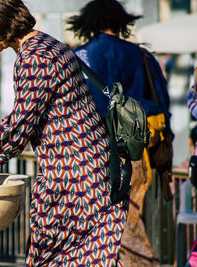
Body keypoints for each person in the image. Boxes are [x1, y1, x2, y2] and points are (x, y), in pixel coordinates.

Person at [0, 0, 128, 266]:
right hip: (96, 176)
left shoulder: (33, 58)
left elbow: (19, 129)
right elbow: (26, 119)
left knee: (54, 260)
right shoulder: (49, 45)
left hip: (73, 184)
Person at [67, 1, 172, 266]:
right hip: (137, 151)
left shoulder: (78, 57)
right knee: (131, 223)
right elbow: (162, 101)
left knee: (93, 226)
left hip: (90, 154)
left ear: (88, 23)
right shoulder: (142, 56)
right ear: (121, 22)